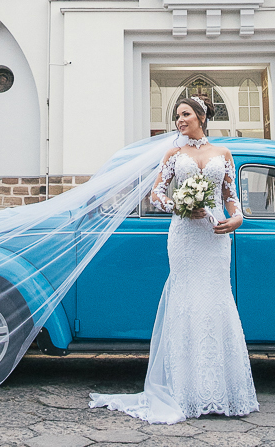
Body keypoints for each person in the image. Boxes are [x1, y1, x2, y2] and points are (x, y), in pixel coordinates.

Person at [90, 96, 257, 423]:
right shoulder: (173, 155)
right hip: (184, 236)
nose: (179, 120)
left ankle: (219, 391)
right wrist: (179, 206)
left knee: (216, 300)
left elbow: (230, 196)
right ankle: (186, 391)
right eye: (176, 115)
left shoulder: (223, 154)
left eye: (185, 114)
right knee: (187, 301)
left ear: (201, 117)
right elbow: (156, 195)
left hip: (215, 236)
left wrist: (237, 219)